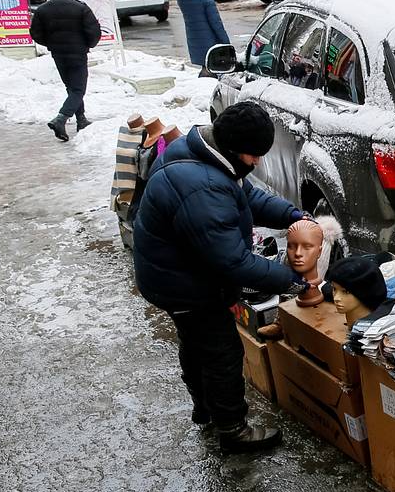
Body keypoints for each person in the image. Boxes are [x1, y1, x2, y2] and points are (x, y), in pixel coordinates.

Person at [133, 101, 313, 453]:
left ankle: (205, 409)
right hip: (185, 284)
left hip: (173, 273)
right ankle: (232, 430)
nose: (258, 162)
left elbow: (248, 200)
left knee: (197, 343)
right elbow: (234, 262)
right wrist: (290, 280)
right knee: (221, 353)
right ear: (233, 148)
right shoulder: (202, 187)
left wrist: (294, 215)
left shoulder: (208, 155)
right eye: (254, 155)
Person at [29, 0, 100, 142]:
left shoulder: (42, 10)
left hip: (58, 54)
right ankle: (61, 119)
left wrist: (51, 43)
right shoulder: (80, 8)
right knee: (78, 89)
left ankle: (81, 119)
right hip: (78, 54)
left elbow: (35, 33)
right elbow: (94, 31)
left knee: (71, 87)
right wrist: (87, 45)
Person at [176, 0, 231, 67]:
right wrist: (226, 42)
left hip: (193, 38)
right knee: (213, 68)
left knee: (204, 64)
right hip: (210, 39)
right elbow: (216, 23)